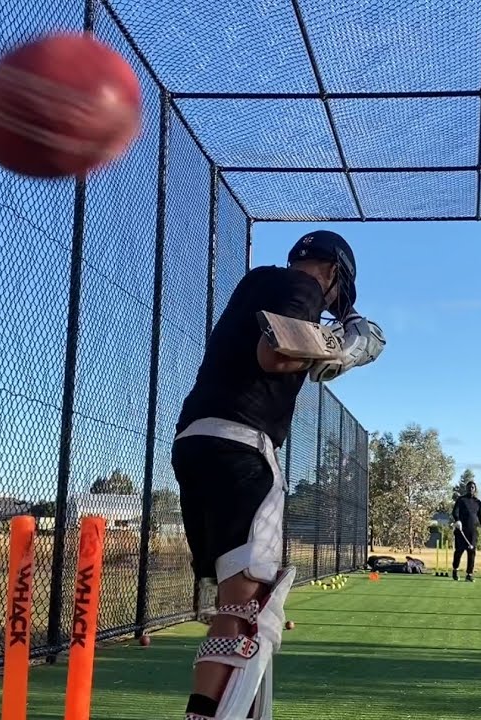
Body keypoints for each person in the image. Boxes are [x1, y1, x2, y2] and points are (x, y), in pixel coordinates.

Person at [171, 229, 385, 720]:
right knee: (250, 611)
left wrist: (334, 339)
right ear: (333, 273)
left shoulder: (256, 284)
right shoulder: (302, 288)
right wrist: (342, 345)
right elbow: (276, 354)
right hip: (242, 446)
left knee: (235, 605)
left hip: (194, 443)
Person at [451, 480, 481, 582]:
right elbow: (455, 512)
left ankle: (469, 574)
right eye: (469, 487)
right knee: (458, 552)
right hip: (461, 531)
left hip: (473, 532)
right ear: (466, 488)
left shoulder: (478, 502)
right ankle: (455, 569)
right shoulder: (461, 500)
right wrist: (457, 520)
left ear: (475, 489)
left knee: (472, 553)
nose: (471, 489)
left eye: (473, 487)